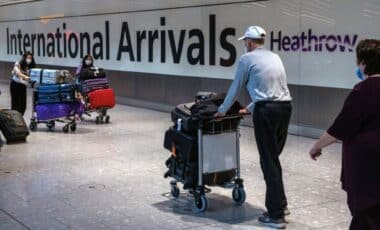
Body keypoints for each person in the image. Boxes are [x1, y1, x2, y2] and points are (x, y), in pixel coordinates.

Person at [214, 26, 292, 229]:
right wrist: (249, 108)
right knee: (273, 159)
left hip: (267, 111)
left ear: (249, 42)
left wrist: (222, 110)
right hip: (285, 108)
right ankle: (280, 205)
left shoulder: (246, 59)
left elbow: (236, 86)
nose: (244, 45)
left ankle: (275, 216)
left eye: (244, 42)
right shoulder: (275, 57)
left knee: (269, 161)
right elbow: (272, 87)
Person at [309, 39, 380, 230]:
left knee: (366, 218)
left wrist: (316, 147)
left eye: (358, 61)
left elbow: (339, 128)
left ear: (364, 62)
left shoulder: (364, 90)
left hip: (367, 170)